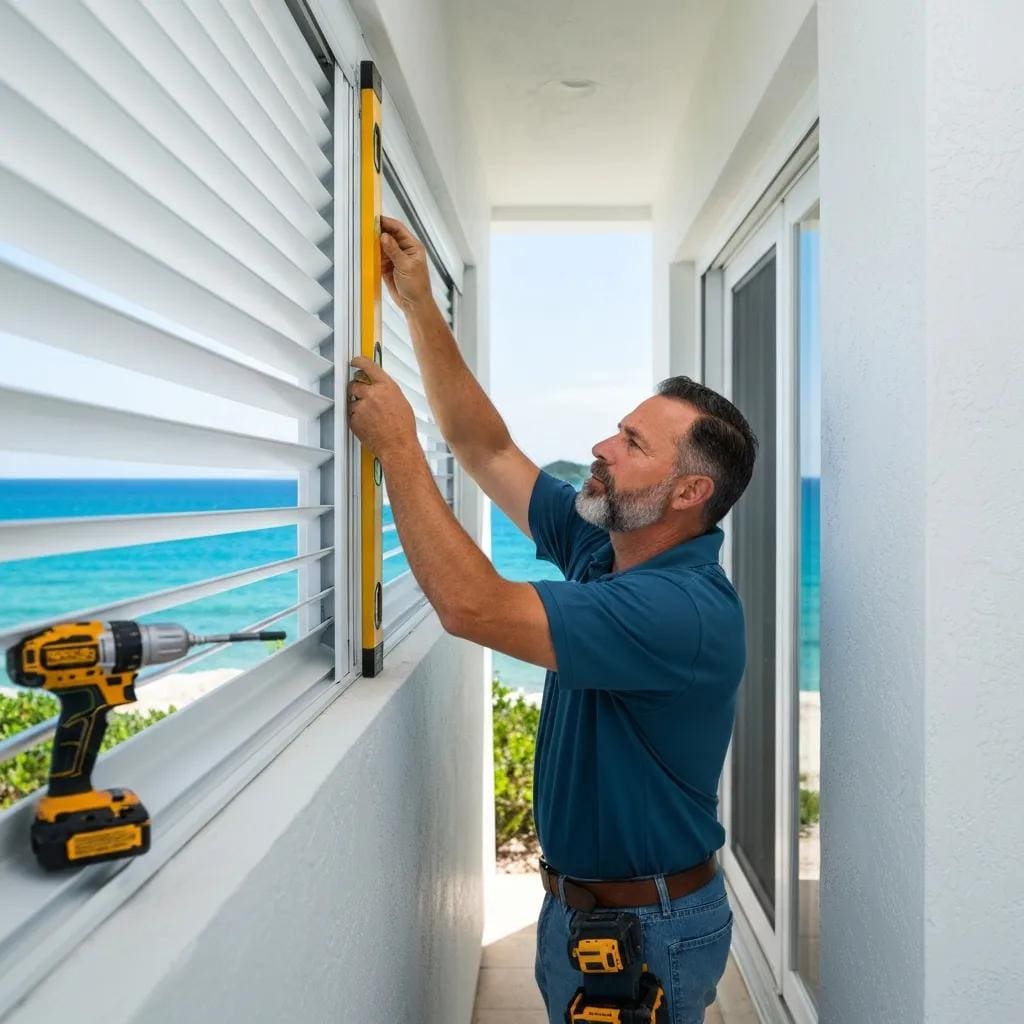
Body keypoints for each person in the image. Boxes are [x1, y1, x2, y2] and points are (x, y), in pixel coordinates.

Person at [346, 216, 757, 1024]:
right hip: (584, 915)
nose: (601, 444)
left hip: (643, 933)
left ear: (687, 494)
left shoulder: (677, 611)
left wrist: (396, 447)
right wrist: (420, 305)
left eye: (632, 442)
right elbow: (485, 447)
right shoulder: (610, 547)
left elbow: (474, 605)